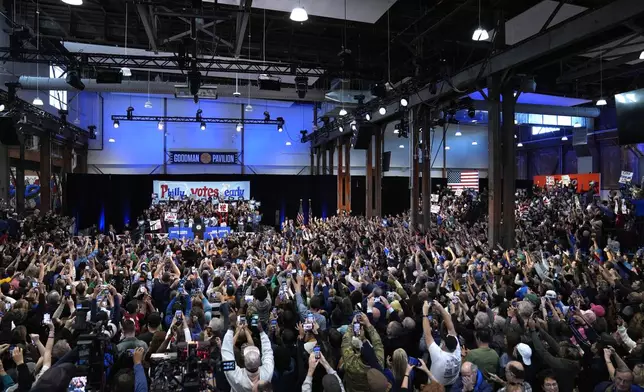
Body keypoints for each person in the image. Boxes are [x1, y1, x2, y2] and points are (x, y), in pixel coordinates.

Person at [423, 300, 461, 387]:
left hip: (436, 388)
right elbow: (451, 327)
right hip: (451, 385)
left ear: (443, 345)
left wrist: (425, 313)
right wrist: (440, 307)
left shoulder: (438, 356)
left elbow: (427, 335)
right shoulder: (457, 351)